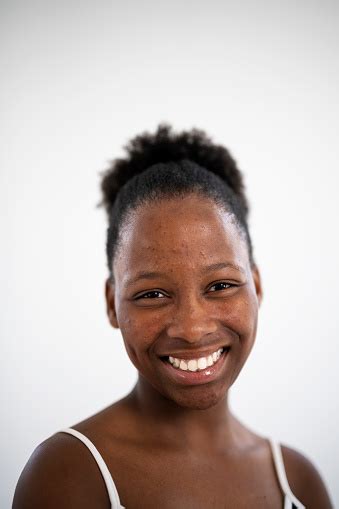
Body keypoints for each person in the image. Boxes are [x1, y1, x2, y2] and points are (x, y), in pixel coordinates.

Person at [13, 125, 333, 508]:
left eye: (220, 286)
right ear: (112, 303)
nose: (193, 329)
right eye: (152, 294)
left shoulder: (298, 482)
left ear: (257, 286)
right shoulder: (69, 473)